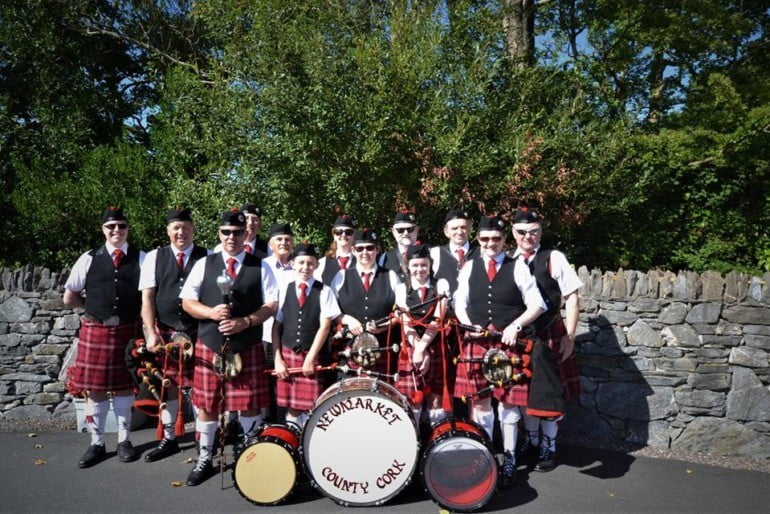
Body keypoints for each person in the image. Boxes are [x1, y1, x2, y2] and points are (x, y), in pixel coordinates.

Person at [179, 208, 278, 486]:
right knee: (207, 405)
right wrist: (211, 314)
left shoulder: (261, 266)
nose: (231, 237)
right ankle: (205, 459)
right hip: (211, 345)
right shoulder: (205, 264)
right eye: (226, 232)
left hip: (246, 345)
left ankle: (251, 456)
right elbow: (187, 301)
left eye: (237, 232)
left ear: (246, 233)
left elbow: (271, 305)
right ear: (219, 234)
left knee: (249, 405)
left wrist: (245, 322)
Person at [453, 214, 545, 489]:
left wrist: (516, 325)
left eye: (496, 239)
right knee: (480, 403)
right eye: (484, 239)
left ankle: (510, 459)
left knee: (508, 402)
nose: (490, 243)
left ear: (505, 240)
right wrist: (469, 325)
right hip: (478, 342)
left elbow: (538, 304)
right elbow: (459, 303)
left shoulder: (518, 267)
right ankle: (485, 454)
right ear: (478, 240)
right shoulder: (469, 268)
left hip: (507, 344)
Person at [63, 206, 145, 468]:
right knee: (95, 390)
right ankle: (96, 443)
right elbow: (69, 296)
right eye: (111, 226)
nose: (116, 231)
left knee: (124, 387)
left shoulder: (142, 258)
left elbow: (149, 297)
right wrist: (92, 308)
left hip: (127, 331)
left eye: (121, 225)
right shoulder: (88, 258)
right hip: (96, 330)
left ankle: (124, 440)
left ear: (127, 228)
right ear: (103, 230)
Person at [511, 207, 582, 473]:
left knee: (549, 393)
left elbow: (572, 298)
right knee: (525, 392)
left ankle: (548, 446)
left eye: (534, 232)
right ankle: (530, 440)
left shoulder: (554, 257)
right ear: (513, 232)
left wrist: (570, 335)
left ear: (541, 232)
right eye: (522, 232)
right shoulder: (509, 261)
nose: (527, 237)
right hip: (523, 336)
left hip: (550, 333)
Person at [138, 207, 209, 462]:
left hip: (199, 332)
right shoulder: (154, 258)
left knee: (202, 389)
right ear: (168, 231)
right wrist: (150, 332)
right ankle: (169, 438)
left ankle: (203, 440)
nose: (181, 232)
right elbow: (147, 298)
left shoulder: (207, 257)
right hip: (165, 334)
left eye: (185, 227)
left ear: (193, 229)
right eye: (175, 228)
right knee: (169, 388)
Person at [272, 243, 341, 429]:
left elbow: (325, 326)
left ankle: (309, 445)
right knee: (292, 407)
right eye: (301, 262)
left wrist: (310, 358)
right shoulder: (284, 289)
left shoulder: (324, 291)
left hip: (312, 353)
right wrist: (278, 359)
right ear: (293, 264)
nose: (305, 267)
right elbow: (276, 326)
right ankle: (293, 441)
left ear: (316, 265)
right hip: (287, 354)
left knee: (313, 405)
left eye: (310, 263)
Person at [394, 244, 451, 428]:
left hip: (434, 346)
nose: (420, 270)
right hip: (411, 345)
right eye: (415, 265)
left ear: (430, 264)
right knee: (413, 400)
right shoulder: (402, 288)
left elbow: (437, 319)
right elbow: (404, 322)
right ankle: (415, 441)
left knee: (436, 399)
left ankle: (435, 441)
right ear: (407, 266)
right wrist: (417, 350)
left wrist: (421, 349)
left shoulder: (441, 284)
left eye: (424, 265)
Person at [331, 228, 401, 376]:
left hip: (383, 349)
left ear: (377, 250)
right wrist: (347, 320)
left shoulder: (391, 276)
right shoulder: (341, 276)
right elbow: (331, 312)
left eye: (370, 248)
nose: (365, 252)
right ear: (353, 250)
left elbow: (400, 313)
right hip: (349, 351)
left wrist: (383, 327)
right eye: (360, 248)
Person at [261, 222, 295, 421]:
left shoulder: (299, 266)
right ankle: (266, 427)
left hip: (290, 334)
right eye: (279, 239)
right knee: (266, 384)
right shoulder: (261, 266)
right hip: (265, 333)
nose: (284, 243)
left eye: (287, 239)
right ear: (271, 243)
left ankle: (284, 426)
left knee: (286, 381)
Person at [430, 208, 479, 294]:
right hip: (445, 306)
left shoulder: (481, 252)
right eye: (454, 228)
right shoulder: (435, 254)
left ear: (469, 229)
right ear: (446, 232)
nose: (459, 232)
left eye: (463, 227)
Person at [378, 210, 419, 283]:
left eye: (410, 229)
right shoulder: (384, 259)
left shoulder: (430, 255)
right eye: (400, 230)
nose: (406, 233)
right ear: (393, 232)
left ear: (417, 230)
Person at [315, 214, 357, 285]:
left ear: (354, 236)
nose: (343, 235)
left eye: (348, 232)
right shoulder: (322, 263)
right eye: (338, 232)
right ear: (334, 236)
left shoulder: (361, 262)